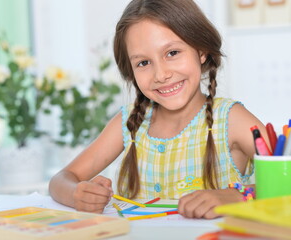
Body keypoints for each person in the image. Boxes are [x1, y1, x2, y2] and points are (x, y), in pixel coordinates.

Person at [49, 0, 269, 219]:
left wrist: (239, 196)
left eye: (172, 53)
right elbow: (62, 179)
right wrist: (77, 194)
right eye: (143, 63)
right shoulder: (128, 123)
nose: (161, 74)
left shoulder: (231, 120)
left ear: (201, 51)